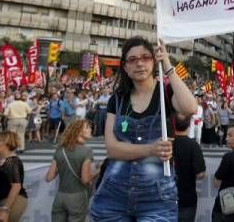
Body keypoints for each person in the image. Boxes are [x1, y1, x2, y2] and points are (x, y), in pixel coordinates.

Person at [90, 36, 198, 222]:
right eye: (132, 60)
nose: (139, 64)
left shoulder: (166, 93)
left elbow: (190, 108)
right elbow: (112, 149)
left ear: (154, 60)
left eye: (145, 57)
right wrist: (150, 149)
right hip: (113, 194)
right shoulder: (117, 100)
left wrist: (168, 66)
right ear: (124, 66)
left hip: (157, 198)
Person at [45, 119, 98, 222]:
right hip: (77, 196)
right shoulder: (87, 151)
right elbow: (85, 179)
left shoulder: (60, 149)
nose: (91, 129)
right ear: (79, 131)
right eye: (87, 127)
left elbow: (49, 177)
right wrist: (99, 170)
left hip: (60, 196)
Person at [0, 131, 28, 222]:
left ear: (7, 144)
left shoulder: (11, 161)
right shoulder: (3, 160)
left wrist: (5, 210)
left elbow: (16, 186)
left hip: (9, 203)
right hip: (1, 202)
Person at [173, 113, 206, 222]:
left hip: (166, 198)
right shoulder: (193, 145)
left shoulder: (165, 143)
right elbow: (200, 174)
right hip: (186, 199)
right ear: (189, 125)